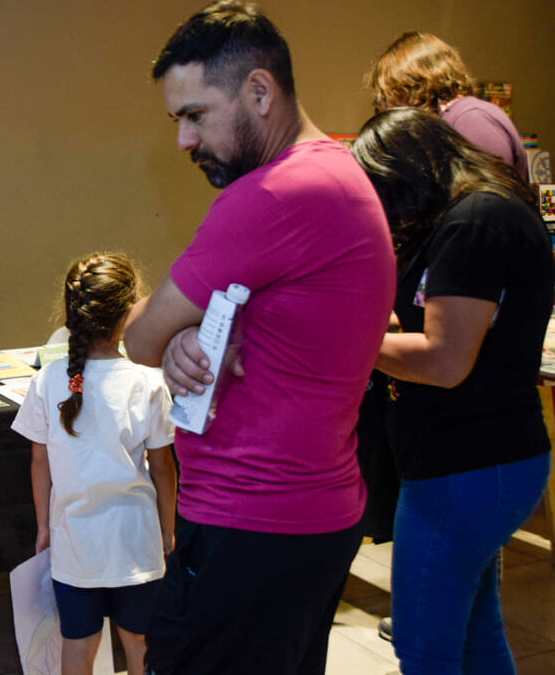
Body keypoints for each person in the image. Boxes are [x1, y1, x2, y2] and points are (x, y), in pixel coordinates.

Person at [121, 3, 396, 673]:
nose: (184, 140)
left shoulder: (273, 195)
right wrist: (191, 328)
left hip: (254, 520)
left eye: (194, 115)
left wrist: (174, 327)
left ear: (258, 91)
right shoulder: (335, 171)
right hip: (308, 512)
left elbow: (137, 336)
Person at [351, 107, 552, 675]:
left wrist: (350, 342)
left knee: (423, 645)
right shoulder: (477, 214)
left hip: (467, 465)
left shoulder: (475, 222)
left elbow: (444, 360)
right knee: (476, 636)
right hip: (472, 461)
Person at [11, 251, 178, 675]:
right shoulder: (147, 382)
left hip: (74, 546)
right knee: (140, 644)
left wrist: (45, 526)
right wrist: (169, 528)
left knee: (78, 645)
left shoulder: (49, 380)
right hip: (136, 543)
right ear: (127, 314)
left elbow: (39, 462)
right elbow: (163, 468)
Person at [368, 31, 528, 180]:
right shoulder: (447, 124)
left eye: (388, 96)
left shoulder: (472, 119)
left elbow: (488, 202)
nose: (387, 108)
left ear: (413, 86)